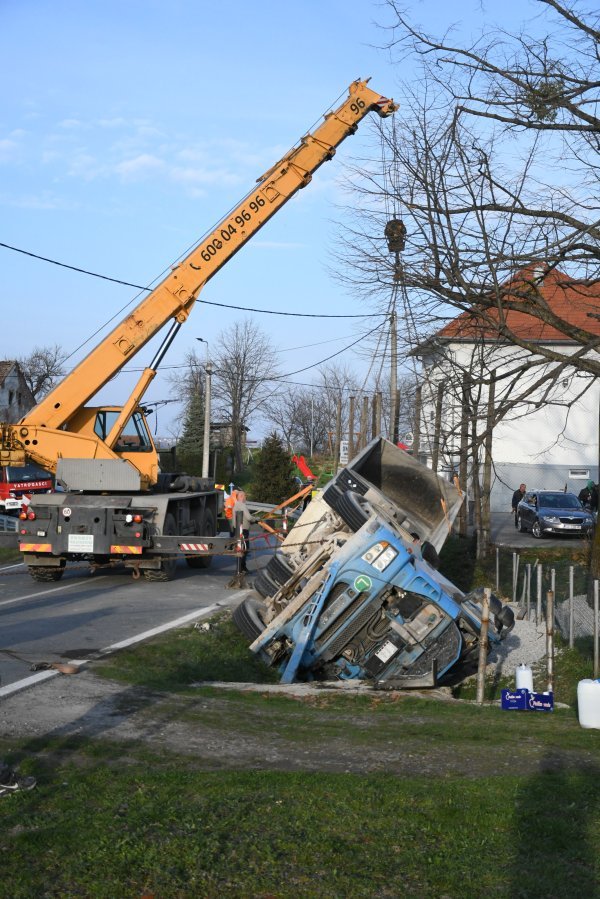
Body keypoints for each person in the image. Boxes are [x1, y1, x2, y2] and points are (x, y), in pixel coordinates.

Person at [232, 490, 257, 572]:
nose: (246, 497)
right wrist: (256, 519)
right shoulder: (242, 505)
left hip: (237, 530)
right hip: (243, 531)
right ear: (241, 496)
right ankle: (241, 568)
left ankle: (242, 567)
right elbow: (249, 518)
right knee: (245, 549)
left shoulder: (236, 505)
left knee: (241, 548)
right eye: (245, 496)